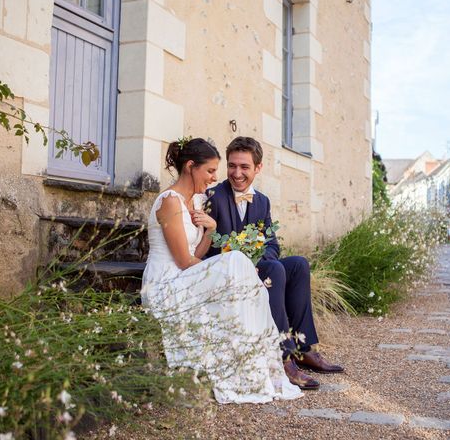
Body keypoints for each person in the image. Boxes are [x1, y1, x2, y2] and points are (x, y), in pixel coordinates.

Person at [141, 137, 302, 404]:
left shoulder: (192, 202)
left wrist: (212, 229)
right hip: (165, 284)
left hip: (184, 276)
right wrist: (234, 276)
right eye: (211, 171)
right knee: (237, 263)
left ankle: (257, 368)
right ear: (191, 166)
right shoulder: (169, 201)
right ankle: (254, 369)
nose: (215, 178)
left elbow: (196, 255)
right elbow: (183, 261)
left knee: (239, 268)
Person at [206, 136, 344, 391]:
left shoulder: (262, 201)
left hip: (259, 267)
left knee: (299, 264)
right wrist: (245, 262)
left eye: (244, 167)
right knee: (276, 269)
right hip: (225, 272)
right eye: (232, 166)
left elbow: (272, 244)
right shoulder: (213, 196)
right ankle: (283, 356)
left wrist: (257, 261)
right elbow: (207, 247)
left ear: (258, 168)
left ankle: (304, 349)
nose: (237, 173)